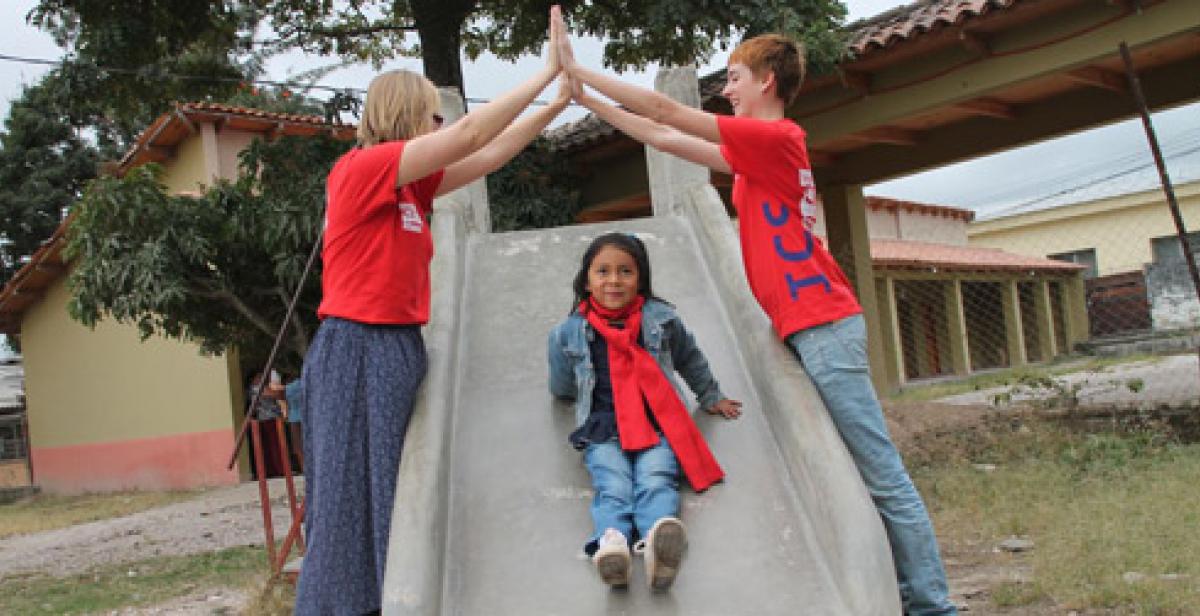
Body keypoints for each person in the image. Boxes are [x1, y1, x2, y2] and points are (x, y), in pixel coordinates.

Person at [552, 14, 957, 615]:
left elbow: (668, 115)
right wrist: (583, 97)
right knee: (860, 467)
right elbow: (663, 140)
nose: (727, 89)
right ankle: (904, 592)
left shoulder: (778, 138)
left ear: (768, 82)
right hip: (804, 325)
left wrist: (578, 67)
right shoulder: (756, 152)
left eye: (735, 77)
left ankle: (931, 605)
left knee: (881, 472)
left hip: (822, 321)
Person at [295, 9, 570, 614]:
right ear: (402, 114)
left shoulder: (411, 187)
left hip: (395, 345)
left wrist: (555, 104)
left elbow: (489, 155)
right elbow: (472, 136)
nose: (442, 124)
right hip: (354, 345)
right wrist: (544, 71)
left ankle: (391, 599)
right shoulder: (361, 170)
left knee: (391, 492)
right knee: (345, 497)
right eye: (432, 113)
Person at [547, 232, 742, 590]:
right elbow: (561, 381)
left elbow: (689, 357)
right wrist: (567, 396)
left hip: (657, 422)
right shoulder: (569, 332)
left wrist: (710, 394)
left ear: (641, 279)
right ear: (587, 280)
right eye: (602, 271)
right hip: (603, 427)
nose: (614, 280)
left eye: (625, 271)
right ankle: (613, 545)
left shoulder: (661, 319)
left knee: (656, 478)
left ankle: (657, 541)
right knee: (613, 484)